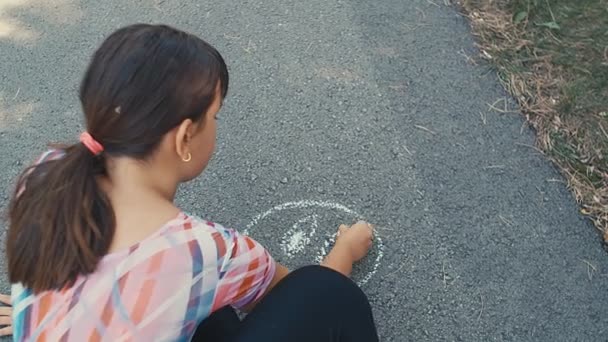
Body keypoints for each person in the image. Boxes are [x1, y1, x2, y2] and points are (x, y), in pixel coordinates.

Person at [0, 24, 379, 341]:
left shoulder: (45, 174)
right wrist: (344, 249)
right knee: (326, 292)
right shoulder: (207, 253)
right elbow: (293, 294)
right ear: (184, 137)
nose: (215, 126)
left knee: (215, 317)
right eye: (215, 116)